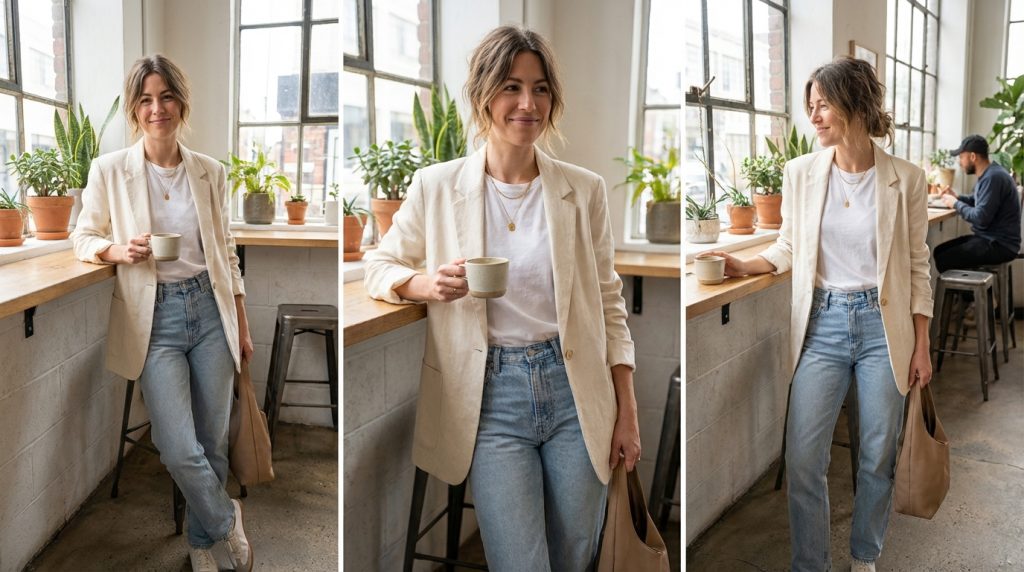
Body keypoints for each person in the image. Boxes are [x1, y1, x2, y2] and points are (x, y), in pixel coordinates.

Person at [363, 26, 640, 572]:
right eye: (512, 86)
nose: (527, 103)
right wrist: (425, 285)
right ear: (483, 94)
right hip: (488, 400)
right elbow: (378, 263)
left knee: (575, 555)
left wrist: (626, 409)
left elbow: (610, 301)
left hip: (576, 394)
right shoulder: (436, 186)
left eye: (540, 89)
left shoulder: (583, 191)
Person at [708, 56, 933, 572]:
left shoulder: (906, 179)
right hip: (823, 325)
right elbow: (789, 246)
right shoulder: (801, 172)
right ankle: (811, 564)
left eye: (823, 104)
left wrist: (920, 345)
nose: (813, 116)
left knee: (877, 453)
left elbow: (918, 268)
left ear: (855, 104)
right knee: (804, 459)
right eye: (810, 106)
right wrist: (743, 263)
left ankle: (864, 557)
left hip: (884, 329)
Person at [71, 55, 254, 572]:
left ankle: (200, 543)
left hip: (209, 309)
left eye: (167, 96)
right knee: (176, 445)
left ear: (181, 103)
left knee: (213, 438)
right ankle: (225, 518)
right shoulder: (110, 170)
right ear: (134, 110)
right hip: (154, 319)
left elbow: (227, 252)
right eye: (146, 99)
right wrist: (116, 252)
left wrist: (240, 323)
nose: (158, 108)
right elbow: (83, 236)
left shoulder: (210, 172)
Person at [934, 134, 1022, 272]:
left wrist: (956, 204)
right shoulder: (990, 174)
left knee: (944, 258)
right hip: (992, 239)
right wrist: (957, 197)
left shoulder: (993, 178)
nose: (959, 162)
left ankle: (969, 294)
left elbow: (980, 218)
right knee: (939, 251)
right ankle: (966, 293)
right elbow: (977, 201)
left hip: (999, 244)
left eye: (962, 157)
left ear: (973, 157)